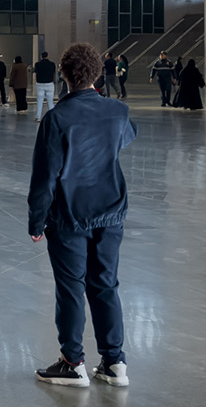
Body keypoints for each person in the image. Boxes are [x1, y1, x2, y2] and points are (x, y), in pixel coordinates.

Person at [29, 43, 137, 388]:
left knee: (71, 288)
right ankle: (114, 362)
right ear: (97, 75)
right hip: (110, 213)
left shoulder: (56, 119)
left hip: (69, 217)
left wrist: (36, 221)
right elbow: (126, 137)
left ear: (64, 75)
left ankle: (73, 362)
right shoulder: (117, 111)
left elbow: (44, 178)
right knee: (106, 285)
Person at [33, 51, 57, 118]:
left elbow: (35, 71)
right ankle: (52, 117)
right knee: (50, 102)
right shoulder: (52, 64)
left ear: (41, 56)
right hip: (49, 83)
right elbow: (54, 73)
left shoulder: (37, 64)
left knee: (40, 101)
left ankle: (38, 117)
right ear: (47, 56)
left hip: (40, 84)